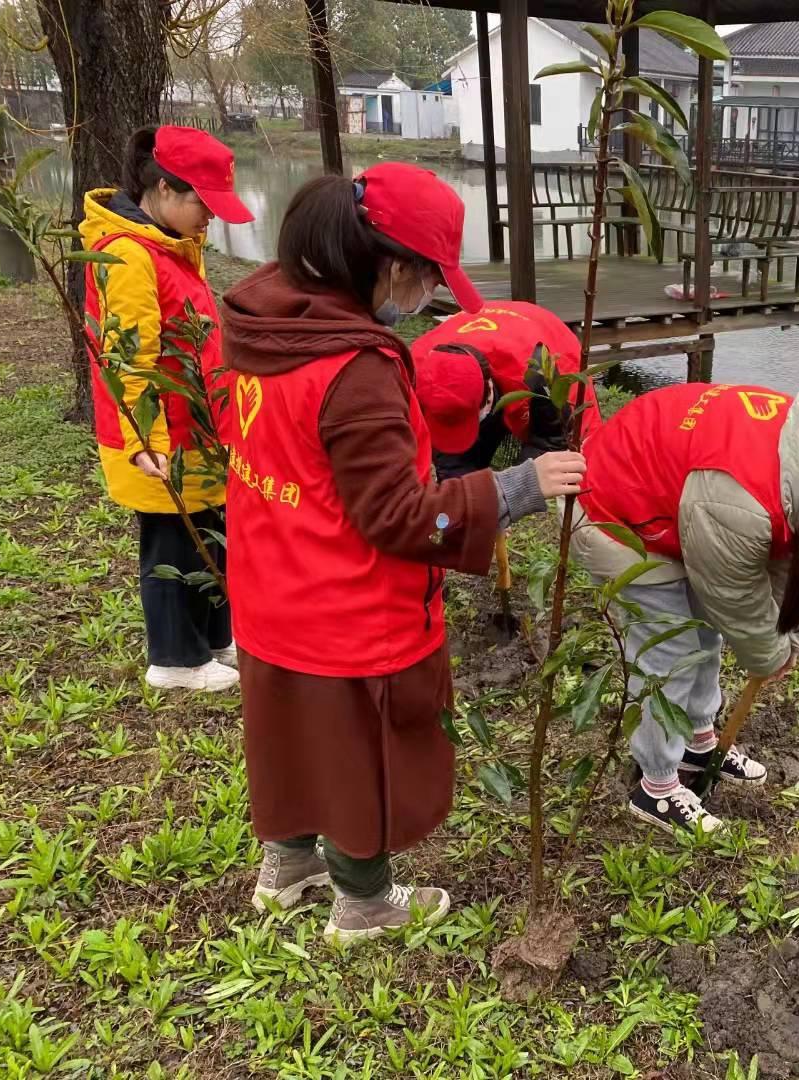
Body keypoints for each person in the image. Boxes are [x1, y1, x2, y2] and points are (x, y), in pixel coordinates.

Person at [217, 162, 586, 941]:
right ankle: (364, 904)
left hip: (269, 581)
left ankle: (287, 866)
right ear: (388, 265)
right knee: (363, 756)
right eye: (424, 279)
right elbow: (398, 517)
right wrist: (515, 488)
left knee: (287, 733)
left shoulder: (260, 324)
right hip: (346, 608)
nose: (424, 301)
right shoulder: (356, 369)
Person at [572, 381, 799, 834]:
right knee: (670, 650)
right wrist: (770, 652)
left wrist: (787, 637)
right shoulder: (744, 501)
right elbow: (734, 595)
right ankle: (656, 786)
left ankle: (699, 741)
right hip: (615, 507)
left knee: (706, 632)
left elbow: (775, 564)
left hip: (680, 501)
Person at [83, 126, 254, 692]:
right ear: (162, 189)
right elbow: (130, 358)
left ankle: (211, 639)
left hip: (195, 426)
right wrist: (143, 443)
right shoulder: (130, 255)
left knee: (205, 531)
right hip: (161, 435)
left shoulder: (173, 245)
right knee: (170, 544)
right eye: (202, 204)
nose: (211, 218)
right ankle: (174, 660)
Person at [411, 300, 599, 477]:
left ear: (489, 395)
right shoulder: (415, 368)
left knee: (571, 450)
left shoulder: (539, 371)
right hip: (479, 331)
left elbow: (551, 440)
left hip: (539, 334)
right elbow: (447, 457)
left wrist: (514, 488)